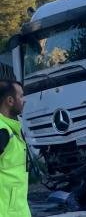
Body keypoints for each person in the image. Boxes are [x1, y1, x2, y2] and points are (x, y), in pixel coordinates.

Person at [0, 80, 29, 217]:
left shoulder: (12, 128)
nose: (24, 100)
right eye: (21, 96)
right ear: (10, 101)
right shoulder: (2, 131)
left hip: (17, 210)